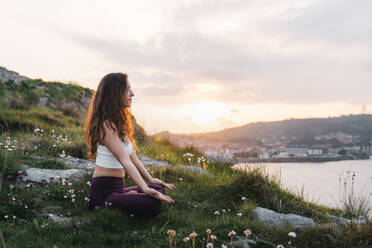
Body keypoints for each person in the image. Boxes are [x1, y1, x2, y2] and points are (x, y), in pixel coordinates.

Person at [84, 72, 175, 218]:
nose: (132, 94)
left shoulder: (118, 123)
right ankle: (111, 203)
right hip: (103, 195)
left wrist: (150, 180)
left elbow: (133, 157)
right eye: (128, 90)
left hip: (118, 189)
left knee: (158, 188)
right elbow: (124, 160)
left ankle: (125, 196)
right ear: (115, 93)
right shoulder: (105, 125)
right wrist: (144, 189)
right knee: (153, 204)